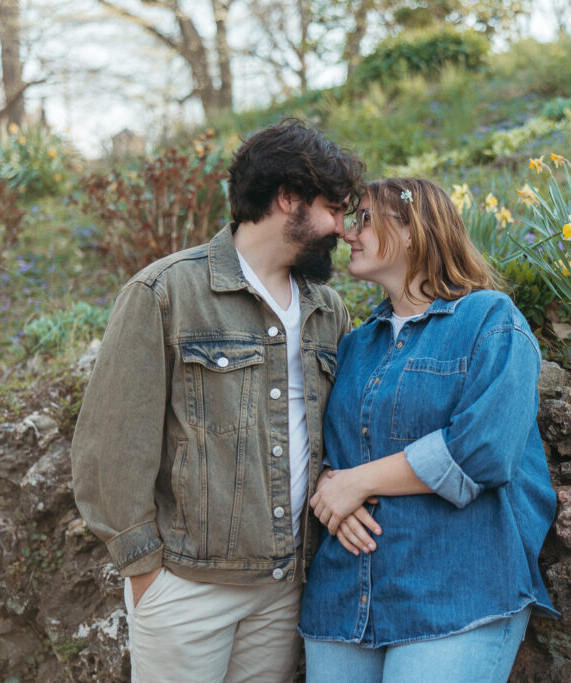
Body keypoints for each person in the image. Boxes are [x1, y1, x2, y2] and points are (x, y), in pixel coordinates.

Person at [70, 118, 364, 682]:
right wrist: (145, 573)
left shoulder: (328, 309)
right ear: (288, 199)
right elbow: (110, 445)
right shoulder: (165, 293)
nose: (341, 228)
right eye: (333, 209)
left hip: (283, 589)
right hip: (186, 590)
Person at [298, 178, 558, 682]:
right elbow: (329, 452)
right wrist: (332, 486)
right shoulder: (355, 346)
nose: (349, 233)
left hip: (456, 594)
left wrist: (358, 481)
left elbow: (483, 450)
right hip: (344, 599)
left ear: (414, 230)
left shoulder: (490, 320)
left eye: (366, 219)